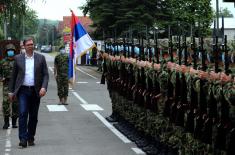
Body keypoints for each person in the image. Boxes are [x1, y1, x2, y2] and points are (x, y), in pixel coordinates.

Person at [8, 37, 49, 148]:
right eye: (29, 44)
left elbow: (45, 74)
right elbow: (14, 76)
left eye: (32, 44)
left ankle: (30, 137)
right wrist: (11, 91)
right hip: (23, 90)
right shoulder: (18, 58)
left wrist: (43, 87)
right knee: (22, 113)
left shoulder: (41, 58)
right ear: (24, 46)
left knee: (33, 116)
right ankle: (23, 139)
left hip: (36, 91)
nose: (31, 46)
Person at [0, 43, 18, 129]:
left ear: (14, 51)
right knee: (6, 104)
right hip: (6, 85)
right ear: (6, 52)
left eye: (12, 50)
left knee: (16, 104)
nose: (10, 52)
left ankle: (14, 122)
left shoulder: (17, 61)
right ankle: (6, 122)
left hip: (15, 85)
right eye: (8, 50)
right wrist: (1, 78)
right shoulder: (2, 62)